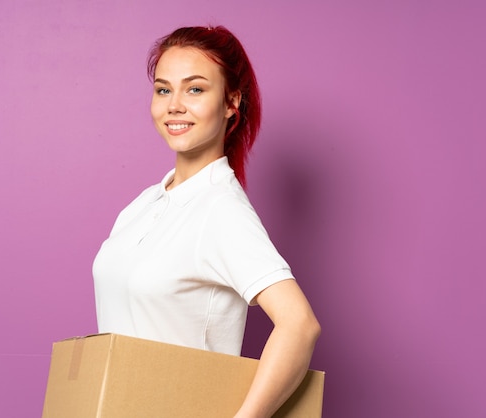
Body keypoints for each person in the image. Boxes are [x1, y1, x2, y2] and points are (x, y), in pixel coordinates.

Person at [93, 25, 321, 418]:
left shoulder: (221, 210)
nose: (174, 105)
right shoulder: (143, 205)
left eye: (195, 89)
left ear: (232, 101)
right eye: (164, 89)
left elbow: (299, 325)